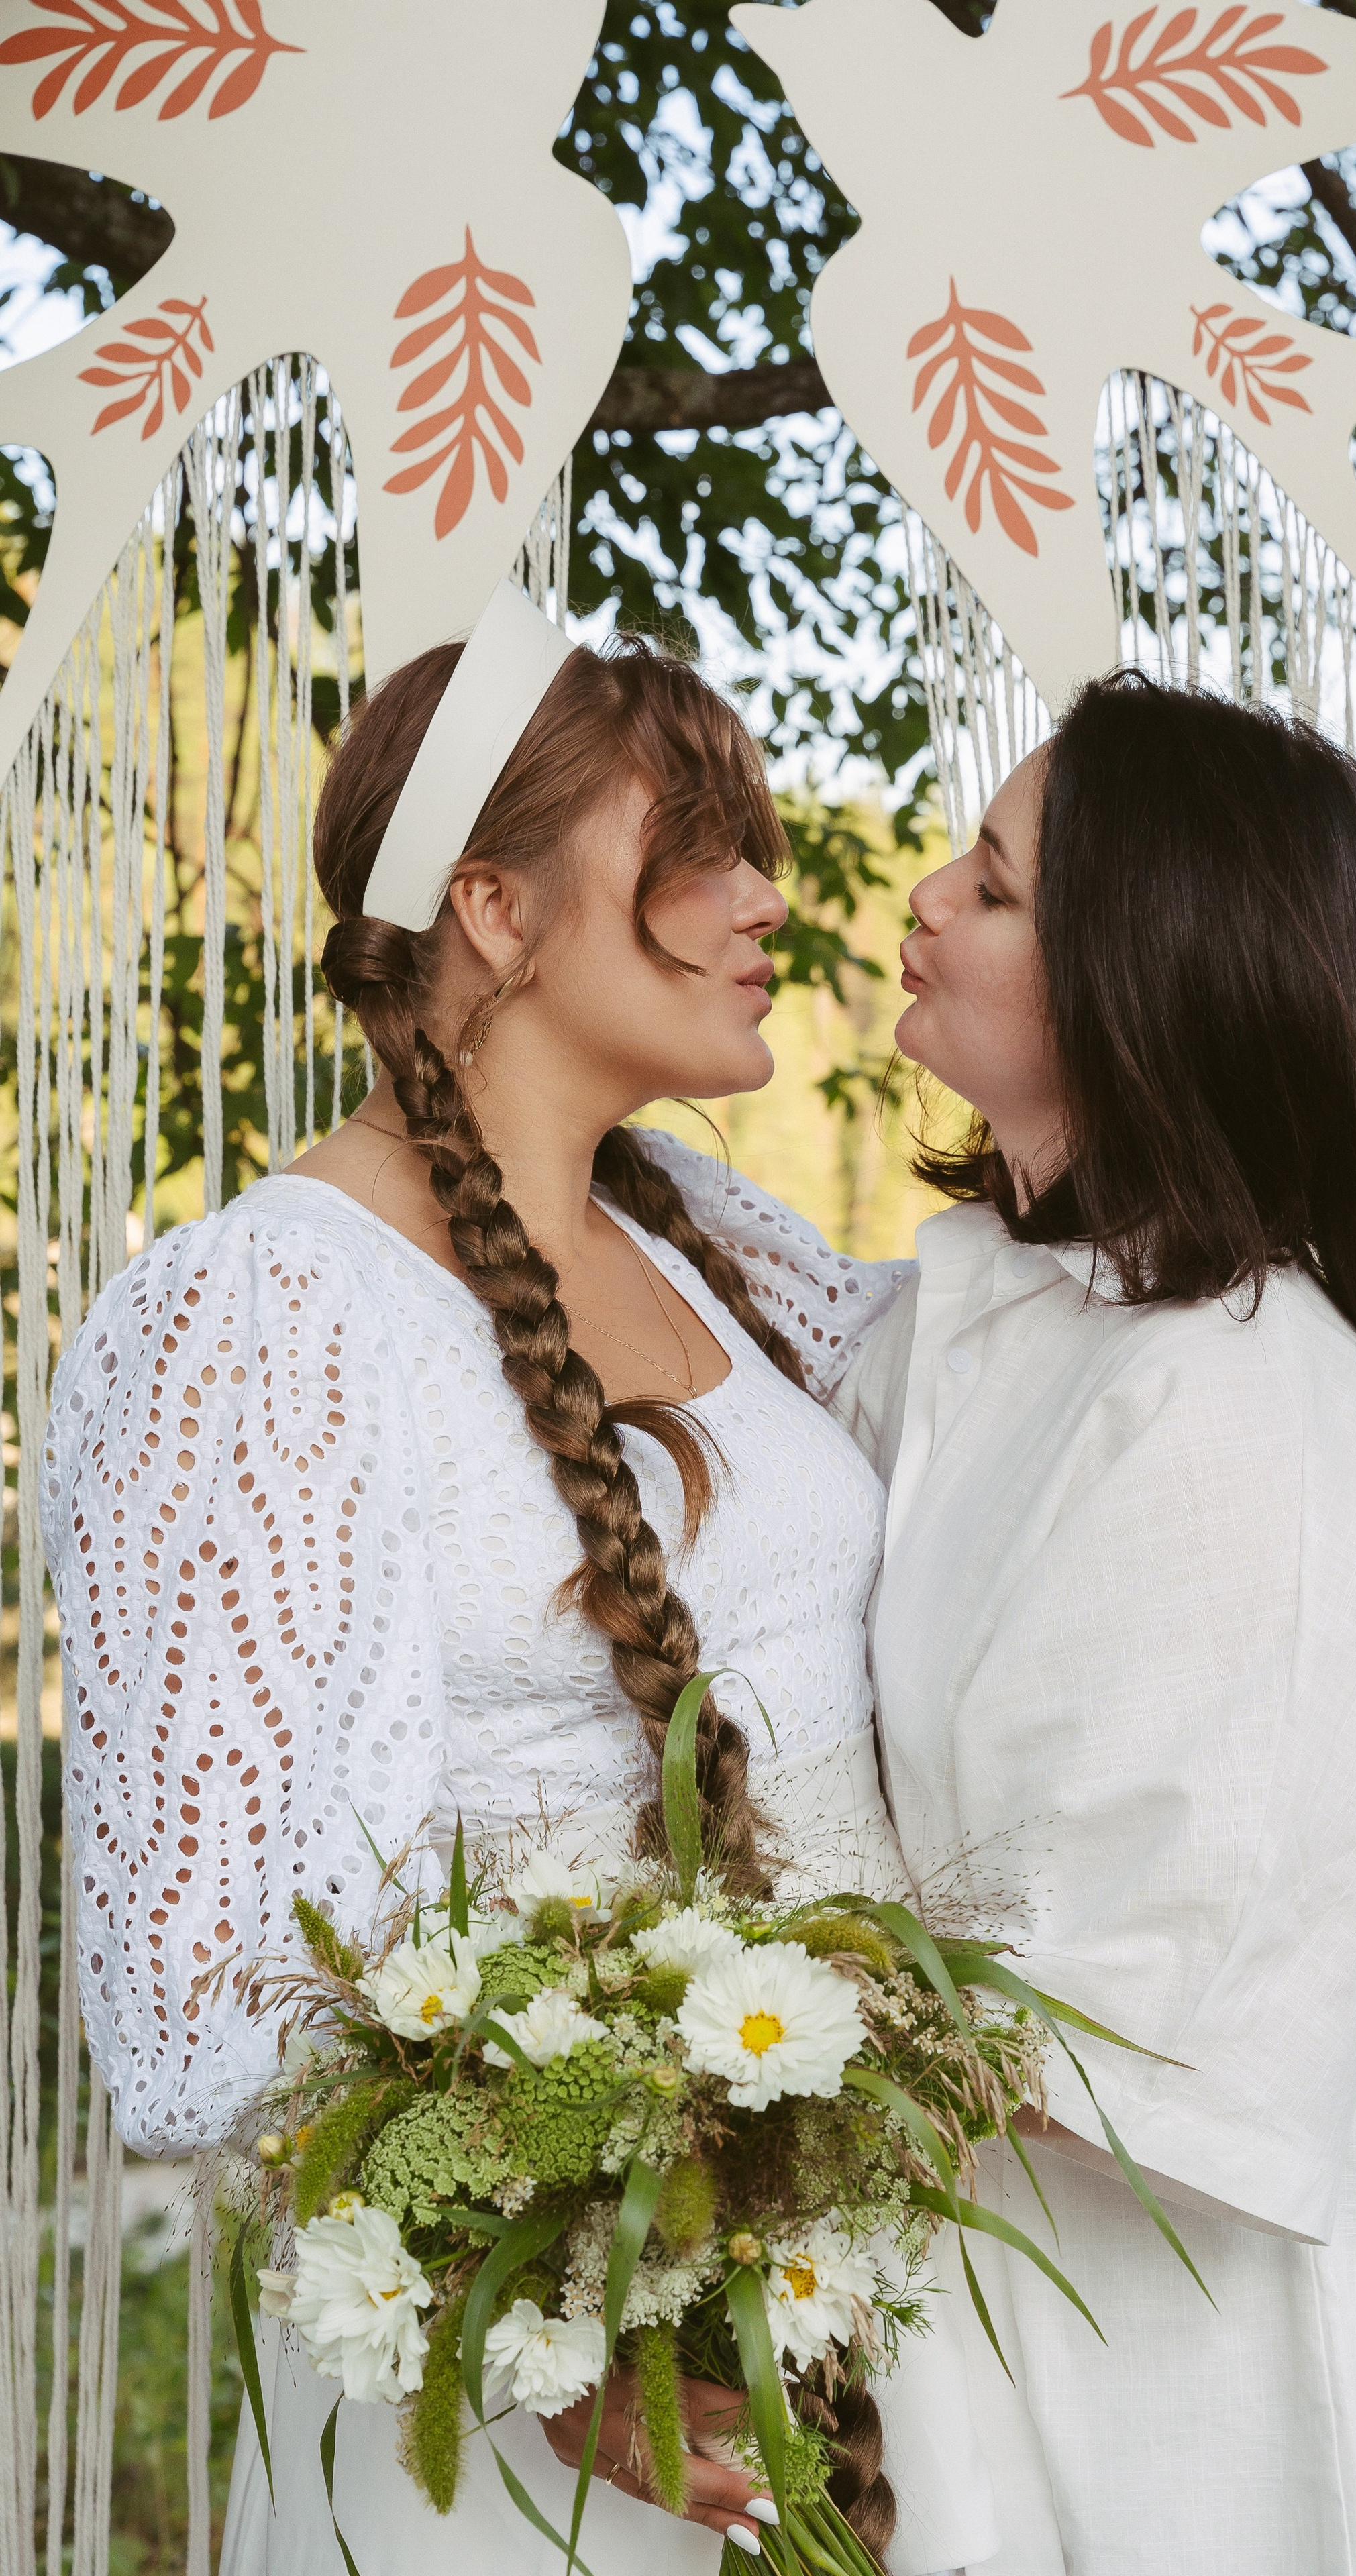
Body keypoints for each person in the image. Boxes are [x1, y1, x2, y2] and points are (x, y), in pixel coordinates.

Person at [42, 586, 992, 2576]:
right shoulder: (259, 1318)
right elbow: (208, 2000)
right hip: (536, 2399)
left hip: (841, 2313)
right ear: (493, 905)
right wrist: (562, 2336)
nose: (763, 903)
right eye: (699, 848)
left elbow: (1026, 1392)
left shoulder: (702, 1228)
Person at [826, 672, 1356, 2575]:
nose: (928, 897)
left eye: (999, 885)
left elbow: (1141, 1958)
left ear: (1145, 969)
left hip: (1313, 2262)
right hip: (1094, 2212)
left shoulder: (1232, 1407)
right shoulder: (1024, 1314)